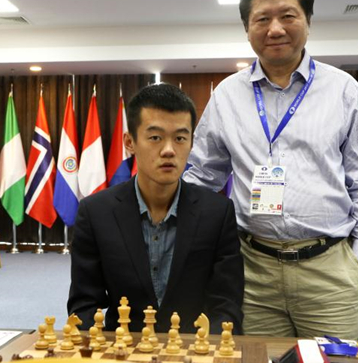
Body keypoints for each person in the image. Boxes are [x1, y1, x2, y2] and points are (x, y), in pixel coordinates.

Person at [183, 0, 358, 340]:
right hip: (252, 271)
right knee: (255, 359)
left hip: (330, 271)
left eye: (287, 16)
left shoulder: (343, 90)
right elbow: (201, 176)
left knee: (332, 362)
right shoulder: (226, 95)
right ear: (247, 29)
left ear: (308, 21)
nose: (275, 29)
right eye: (262, 19)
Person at [67, 83, 244, 335]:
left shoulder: (218, 212)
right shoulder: (96, 213)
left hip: (194, 348)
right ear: (130, 142)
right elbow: (84, 305)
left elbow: (226, 304)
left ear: (192, 143)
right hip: (123, 348)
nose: (169, 150)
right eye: (155, 138)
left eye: (180, 138)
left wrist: (208, 350)